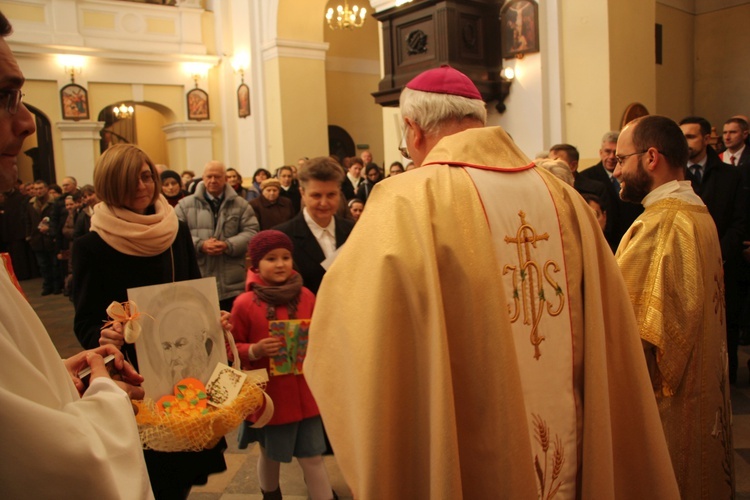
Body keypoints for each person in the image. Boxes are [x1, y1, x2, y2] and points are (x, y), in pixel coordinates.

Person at [303, 65, 679, 499]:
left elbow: (349, 336)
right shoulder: (565, 199)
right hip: (575, 447)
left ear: (413, 128)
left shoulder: (406, 201)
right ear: (477, 118)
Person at [0, 12, 154, 498]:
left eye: (20, 97)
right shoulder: (91, 243)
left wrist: (55, 376)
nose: (25, 121)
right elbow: (70, 467)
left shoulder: (173, 231)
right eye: (5, 96)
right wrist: (106, 389)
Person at [73, 144, 227, 499]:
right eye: (131, 180)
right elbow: (84, 322)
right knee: (153, 474)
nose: (143, 187)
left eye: (147, 177)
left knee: (185, 470)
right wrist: (106, 333)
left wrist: (212, 317)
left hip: (182, 373)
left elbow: (192, 291)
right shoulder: (91, 246)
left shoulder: (175, 231)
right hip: (136, 377)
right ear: (111, 184)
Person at [614, 115, 734, 498]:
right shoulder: (698, 212)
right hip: (703, 395)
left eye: (621, 159)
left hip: (669, 408)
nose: (615, 170)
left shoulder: (658, 226)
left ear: (651, 157)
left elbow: (628, 330)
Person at [231, 230, 335, 500]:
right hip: (270, 398)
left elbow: (322, 335)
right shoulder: (244, 304)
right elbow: (232, 348)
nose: (280, 264)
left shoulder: (306, 296)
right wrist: (254, 349)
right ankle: (270, 494)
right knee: (270, 455)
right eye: (271, 258)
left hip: (307, 395)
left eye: (286, 257)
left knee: (313, 456)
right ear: (255, 264)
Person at [680, 116, 746, 384]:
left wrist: (717, 253)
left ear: (707, 138)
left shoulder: (731, 175)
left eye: (691, 137)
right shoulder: (675, 174)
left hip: (724, 265)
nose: (686, 143)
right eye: (682, 137)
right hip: (686, 264)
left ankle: (725, 382)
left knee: (725, 327)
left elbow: (739, 222)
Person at [176, 161, 259, 311]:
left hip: (232, 282)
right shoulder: (184, 205)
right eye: (209, 176)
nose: (213, 180)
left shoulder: (241, 205)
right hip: (199, 277)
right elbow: (177, 234)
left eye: (217, 177)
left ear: (225, 179)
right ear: (203, 178)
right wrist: (201, 245)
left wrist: (228, 245)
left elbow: (252, 232)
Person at [274, 157, 355, 295]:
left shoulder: (354, 231)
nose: (324, 203)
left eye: (331, 195)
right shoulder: (282, 237)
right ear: (302, 193)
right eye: (316, 195)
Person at [579, 131, 644, 251]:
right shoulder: (586, 178)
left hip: (634, 240)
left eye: (615, 153)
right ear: (600, 152)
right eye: (607, 151)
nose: (611, 157)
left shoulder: (634, 176)